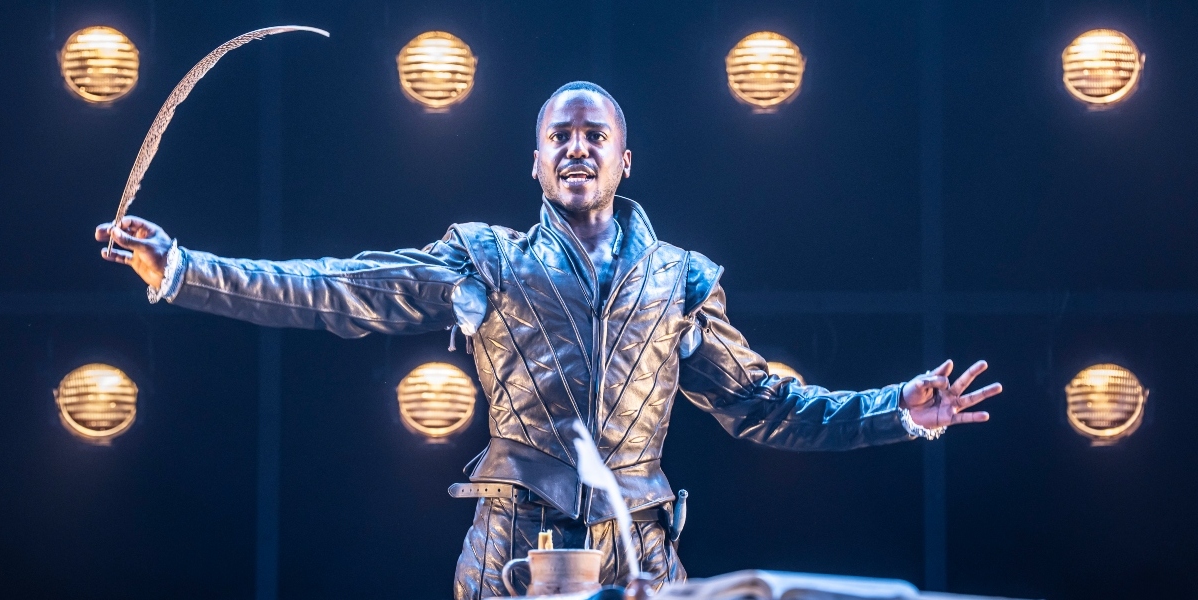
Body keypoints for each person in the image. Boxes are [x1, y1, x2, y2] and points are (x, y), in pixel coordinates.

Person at [96, 81, 1002, 599]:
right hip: (514, 542)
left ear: (623, 159)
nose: (576, 147)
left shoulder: (680, 279)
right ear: (535, 162)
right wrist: (185, 268)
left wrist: (896, 409)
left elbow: (764, 404)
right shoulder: (487, 260)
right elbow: (339, 289)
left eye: (593, 135)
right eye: (559, 136)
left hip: (640, 547)